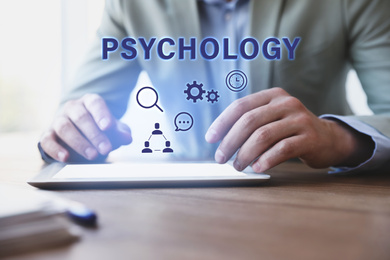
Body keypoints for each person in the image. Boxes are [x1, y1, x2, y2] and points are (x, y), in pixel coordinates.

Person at [39, 0, 390, 174]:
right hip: (186, 207)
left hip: (308, 198)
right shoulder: (130, 4)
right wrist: (74, 129)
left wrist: (337, 138)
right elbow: (76, 112)